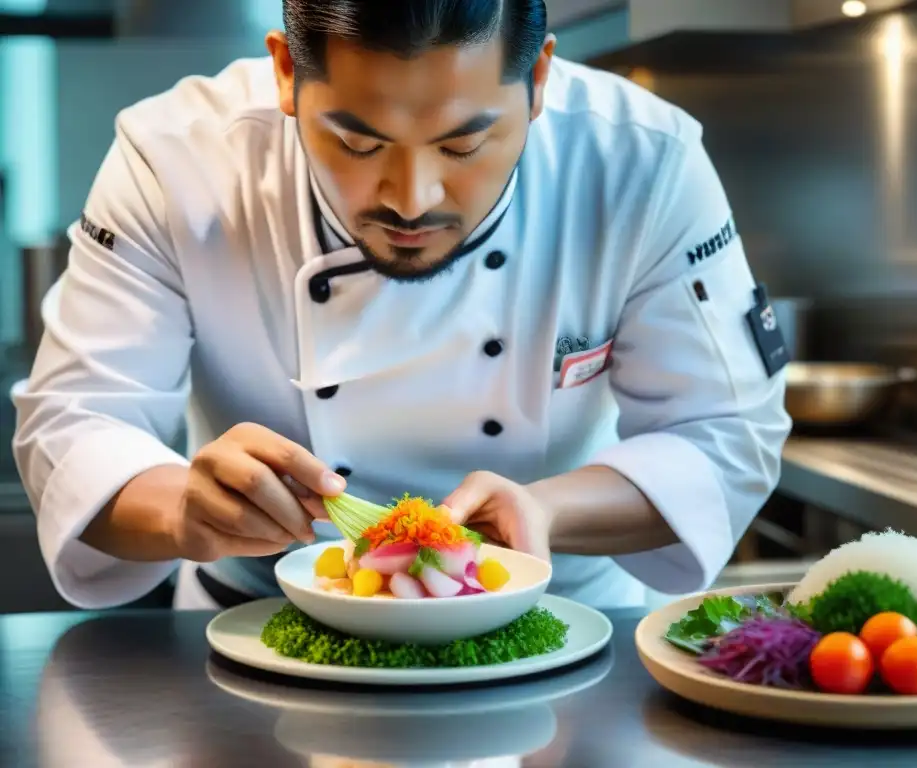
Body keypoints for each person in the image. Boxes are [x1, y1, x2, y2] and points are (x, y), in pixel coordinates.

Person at [12, 0, 792, 612]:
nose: (411, 200)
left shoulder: (642, 161)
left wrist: (547, 513)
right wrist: (184, 508)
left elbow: (726, 435)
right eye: (357, 144)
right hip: (258, 626)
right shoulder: (176, 157)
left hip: (563, 626)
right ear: (285, 72)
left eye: (463, 146)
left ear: (541, 79)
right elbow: (76, 423)